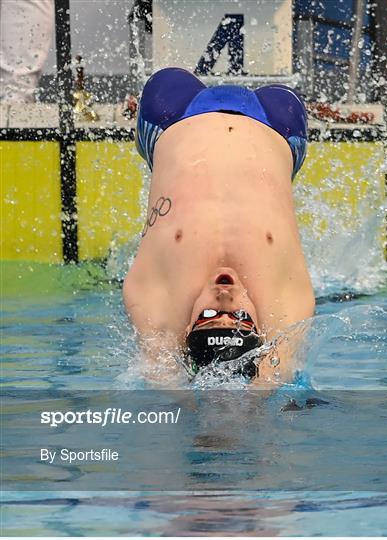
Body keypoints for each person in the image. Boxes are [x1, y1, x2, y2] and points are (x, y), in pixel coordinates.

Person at [123, 67, 315, 381]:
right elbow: (274, 375)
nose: (224, 296)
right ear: (259, 328)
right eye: (239, 316)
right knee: (288, 100)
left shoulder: (160, 309)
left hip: (173, 117)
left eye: (209, 315)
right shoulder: (284, 308)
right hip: (278, 123)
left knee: (163, 81)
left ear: (186, 329)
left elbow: (161, 373)